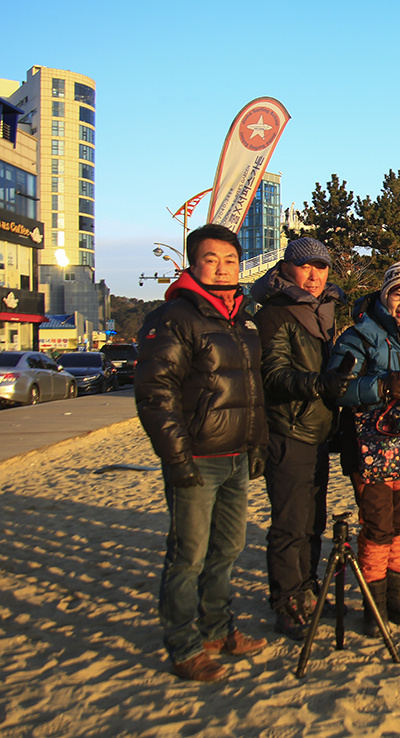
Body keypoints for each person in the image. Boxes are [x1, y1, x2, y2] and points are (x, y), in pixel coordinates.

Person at [135, 223, 268, 682]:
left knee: (227, 549)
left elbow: (252, 389)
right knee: (188, 555)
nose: (222, 268)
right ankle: (184, 646)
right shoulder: (175, 317)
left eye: (230, 260)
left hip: (236, 456)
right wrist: (176, 458)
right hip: (197, 458)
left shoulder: (242, 318)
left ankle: (216, 630)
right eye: (211, 260)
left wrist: (256, 443)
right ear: (192, 264)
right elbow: (156, 394)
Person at [329, 260, 400, 636]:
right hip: (370, 450)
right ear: (384, 295)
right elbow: (337, 387)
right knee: (377, 528)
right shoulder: (359, 336)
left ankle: (395, 598)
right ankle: (373, 606)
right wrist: (381, 386)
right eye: (397, 293)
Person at [250, 237, 353, 641]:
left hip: (318, 430)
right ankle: (286, 602)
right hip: (288, 430)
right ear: (286, 269)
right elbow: (273, 376)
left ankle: (308, 591)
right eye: (305, 266)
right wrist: (320, 383)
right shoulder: (275, 314)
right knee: (289, 524)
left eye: (321, 267)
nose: (314, 275)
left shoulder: (322, 310)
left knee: (313, 521)